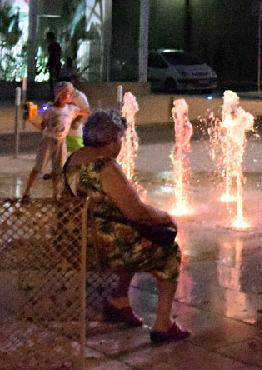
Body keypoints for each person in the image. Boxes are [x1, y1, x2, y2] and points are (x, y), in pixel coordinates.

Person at [64, 109, 190, 342]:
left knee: (134, 236)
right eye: (120, 138)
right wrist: (166, 217)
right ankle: (163, 325)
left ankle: (119, 301)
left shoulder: (74, 160)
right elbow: (137, 211)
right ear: (111, 140)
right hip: (102, 247)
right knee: (170, 252)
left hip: (78, 238)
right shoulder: (105, 167)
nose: (121, 144)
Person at [22, 82, 85, 201]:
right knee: (39, 167)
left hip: (61, 142)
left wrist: (78, 119)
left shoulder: (71, 109)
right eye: (68, 94)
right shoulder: (50, 109)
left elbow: (86, 112)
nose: (70, 96)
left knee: (58, 171)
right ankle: (27, 191)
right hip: (48, 140)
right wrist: (31, 120)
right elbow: (42, 126)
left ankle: (55, 196)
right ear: (60, 96)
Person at [63, 82, 92, 154]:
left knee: (77, 149)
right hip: (64, 129)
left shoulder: (79, 96)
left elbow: (87, 110)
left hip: (74, 129)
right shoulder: (63, 95)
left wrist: (79, 121)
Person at [45, 31, 63, 99]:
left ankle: (56, 97)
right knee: (52, 83)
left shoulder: (54, 46)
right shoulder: (51, 46)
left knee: (54, 82)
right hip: (52, 66)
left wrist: (54, 67)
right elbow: (51, 57)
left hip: (55, 66)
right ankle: (53, 96)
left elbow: (56, 57)